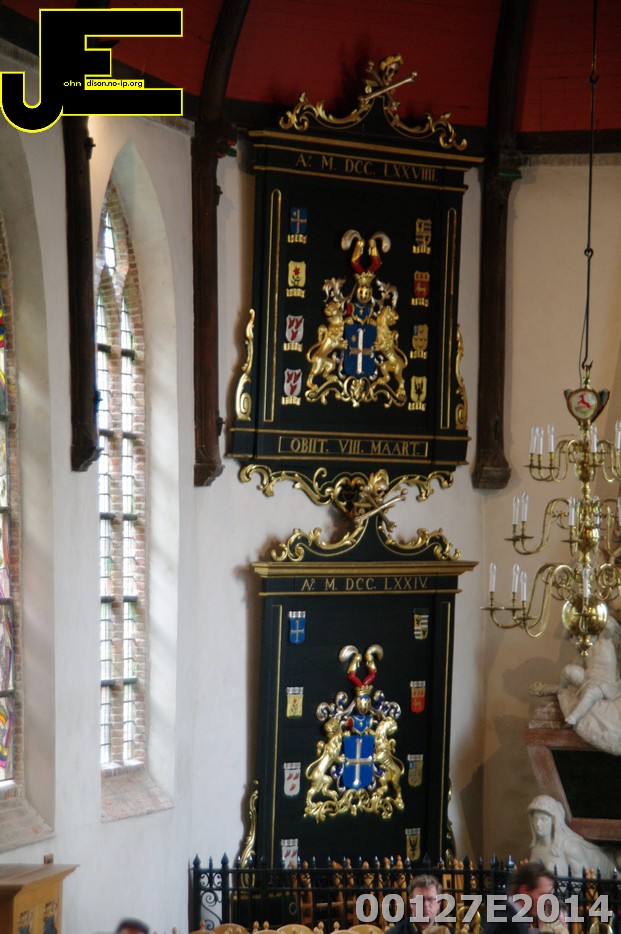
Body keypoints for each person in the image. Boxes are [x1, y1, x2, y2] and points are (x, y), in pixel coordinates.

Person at [528, 794, 615, 876]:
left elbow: (581, 878)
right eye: (535, 819)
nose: (538, 824)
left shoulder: (570, 847)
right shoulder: (536, 848)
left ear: (554, 821)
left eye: (543, 819)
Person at [484, 862, 555, 934]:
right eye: (543, 895)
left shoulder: (513, 916)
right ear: (524, 891)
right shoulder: (506, 922)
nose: (547, 901)